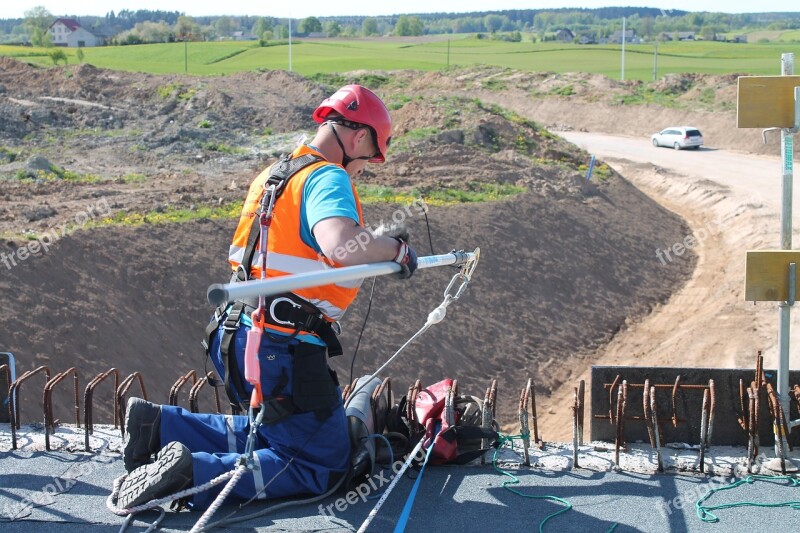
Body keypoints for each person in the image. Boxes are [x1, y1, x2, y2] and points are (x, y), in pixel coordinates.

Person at [117, 85, 418, 510]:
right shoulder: (326, 175)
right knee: (321, 464)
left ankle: (160, 427)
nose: (364, 168)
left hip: (236, 332)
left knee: (281, 432)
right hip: (283, 344)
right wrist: (396, 250)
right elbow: (338, 244)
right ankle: (192, 473)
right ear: (357, 137)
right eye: (369, 156)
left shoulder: (276, 172)